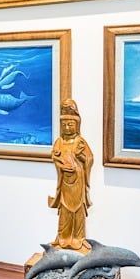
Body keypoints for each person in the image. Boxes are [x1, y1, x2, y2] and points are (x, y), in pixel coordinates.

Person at [48, 99, 93, 252]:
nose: (67, 128)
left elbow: (89, 159)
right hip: (65, 183)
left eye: (71, 124)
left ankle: (78, 238)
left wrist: (81, 157)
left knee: (78, 209)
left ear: (77, 125)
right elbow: (55, 157)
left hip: (78, 181)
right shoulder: (59, 142)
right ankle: (63, 237)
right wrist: (60, 164)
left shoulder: (80, 141)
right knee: (65, 210)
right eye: (64, 124)